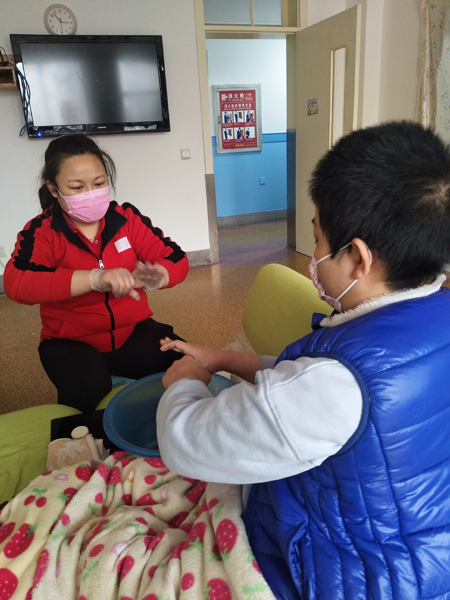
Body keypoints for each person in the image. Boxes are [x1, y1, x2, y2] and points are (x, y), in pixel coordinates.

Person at [156, 121, 450, 599]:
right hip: (424, 550)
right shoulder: (433, 312)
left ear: (357, 259)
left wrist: (185, 382)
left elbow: (182, 441)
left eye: (317, 241)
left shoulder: (333, 387)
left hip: (351, 576)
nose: (312, 257)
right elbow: (325, 382)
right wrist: (226, 358)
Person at [4, 134, 188, 413]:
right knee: (87, 390)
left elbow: (176, 257)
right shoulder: (42, 231)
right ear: (53, 188)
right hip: (69, 343)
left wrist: (162, 274)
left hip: (131, 332)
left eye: (99, 183)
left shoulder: (126, 218)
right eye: (77, 187)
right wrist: (94, 278)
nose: (90, 193)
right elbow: (17, 282)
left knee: (187, 362)